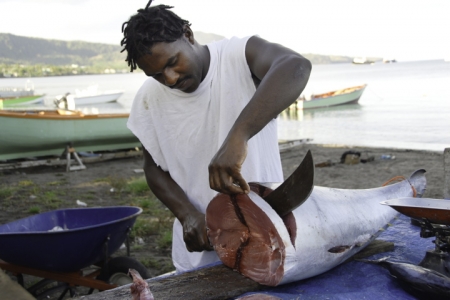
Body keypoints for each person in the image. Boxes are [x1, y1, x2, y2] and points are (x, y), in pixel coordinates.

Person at [121, 0, 311, 273]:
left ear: (188, 35)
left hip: (268, 244)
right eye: (157, 74)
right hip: (200, 257)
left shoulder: (239, 55)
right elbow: (153, 168)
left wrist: (238, 137)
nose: (170, 79)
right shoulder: (148, 98)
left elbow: (296, 66)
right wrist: (186, 214)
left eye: (173, 63)